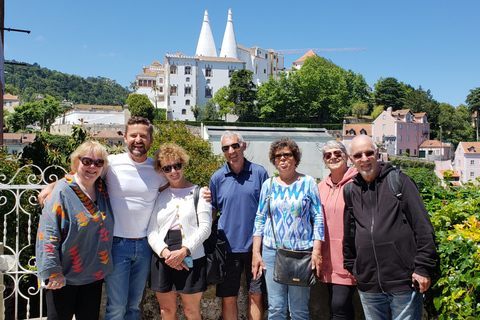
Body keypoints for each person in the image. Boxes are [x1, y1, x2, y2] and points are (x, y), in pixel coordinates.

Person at [343, 135, 437, 320]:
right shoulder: (350, 191)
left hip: (404, 281)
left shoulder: (400, 182)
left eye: (369, 153)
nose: (364, 159)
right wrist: (354, 268)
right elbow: (349, 235)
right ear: (350, 159)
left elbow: (423, 227)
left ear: (377, 153)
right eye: (358, 155)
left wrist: (422, 268)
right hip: (369, 285)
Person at [36, 140, 114, 320]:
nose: (92, 166)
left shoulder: (101, 188)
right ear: (76, 162)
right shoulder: (63, 191)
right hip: (63, 278)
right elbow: (48, 234)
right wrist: (53, 272)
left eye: (98, 162)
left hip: (93, 276)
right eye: (87, 161)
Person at [252, 137, 324, 320]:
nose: (282, 159)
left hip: (301, 253)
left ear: (295, 158)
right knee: (276, 307)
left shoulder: (308, 183)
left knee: (299, 310)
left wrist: (316, 252)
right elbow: (260, 219)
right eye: (278, 156)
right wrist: (256, 253)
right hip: (272, 252)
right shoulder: (268, 185)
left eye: (287, 155)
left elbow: (318, 218)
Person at [147, 143, 212, 320]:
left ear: (183, 164)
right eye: (167, 168)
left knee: (191, 311)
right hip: (163, 257)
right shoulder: (160, 196)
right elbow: (152, 231)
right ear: (162, 170)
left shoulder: (199, 192)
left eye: (177, 165)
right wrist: (167, 254)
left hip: (192, 256)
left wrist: (184, 251)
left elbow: (206, 227)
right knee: (166, 311)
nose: (173, 171)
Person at [209, 131, 269, 320]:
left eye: (235, 146)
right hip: (227, 248)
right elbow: (211, 211)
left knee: (256, 295)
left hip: (256, 248)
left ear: (243, 146)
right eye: (226, 148)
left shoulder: (259, 173)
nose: (231, 151)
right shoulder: (217, 178)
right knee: (228, 297)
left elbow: (268, 209)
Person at [318, 140, 357, 320]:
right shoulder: (319, 188)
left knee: (339, 305)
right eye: (328, 155)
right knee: (336, 307)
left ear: (346, 156)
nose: (333, 157)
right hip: (326, 261)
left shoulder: (357, 183)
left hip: (348, 259)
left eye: (337, 153)